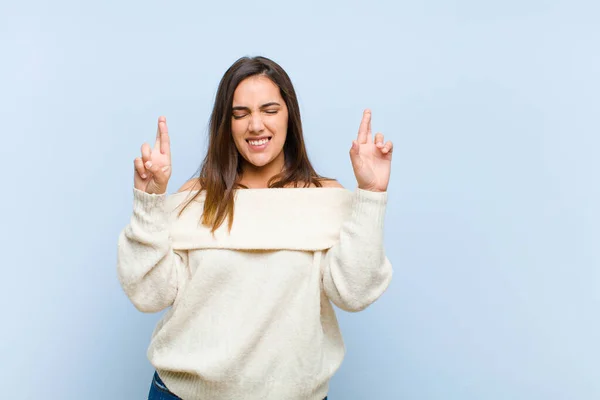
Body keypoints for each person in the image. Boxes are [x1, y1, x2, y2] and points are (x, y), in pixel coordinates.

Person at [117, 55, 394, 400]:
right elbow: (148, 294)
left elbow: (355, 293)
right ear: (226, 124)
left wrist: (371, 195)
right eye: (240, 114)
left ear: (289, 117)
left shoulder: (323, 199)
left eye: (270, 110)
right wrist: (150, 202)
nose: (255, 125)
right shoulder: (196, 197)